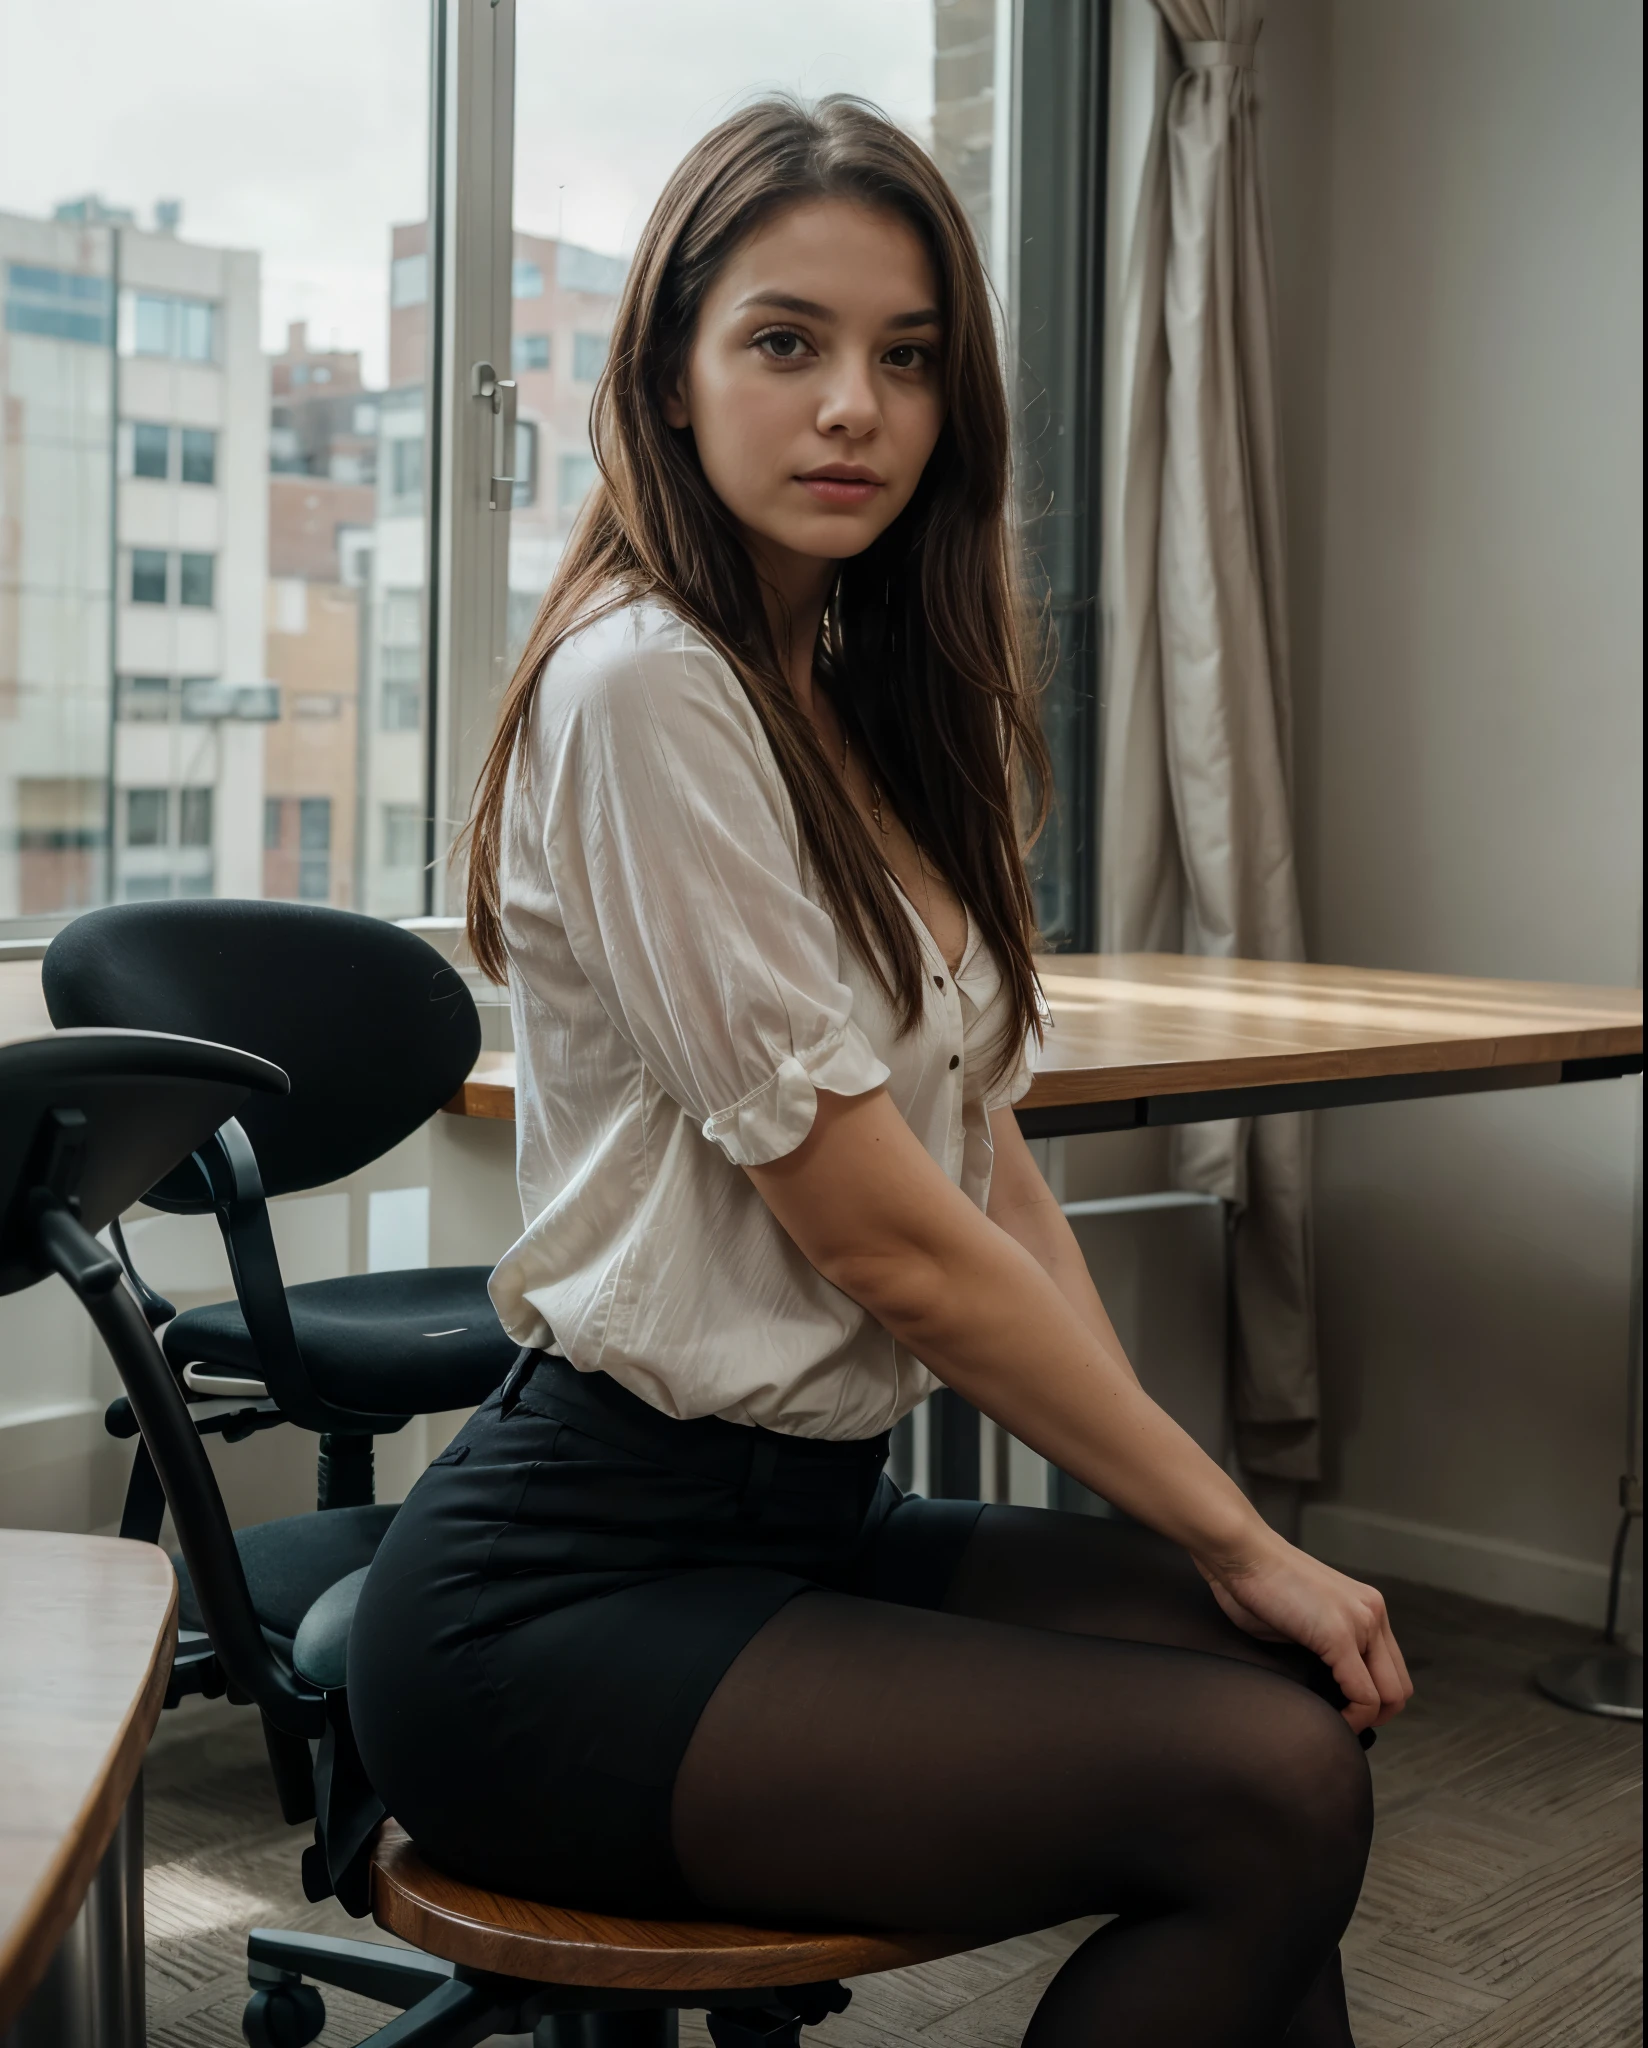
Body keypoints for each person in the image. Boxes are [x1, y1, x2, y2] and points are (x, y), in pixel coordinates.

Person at [349, 94, 1411, 2048]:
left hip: (800, 1521)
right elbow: (889, 1246)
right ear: (667, 371)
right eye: (785, 340)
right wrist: (1237, 1528)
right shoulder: (644, 681)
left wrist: (1201, 1535)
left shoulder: (833, 698)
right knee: (1263, 1788)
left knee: (1281, 1704)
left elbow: (986, 1170)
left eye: (904, 359)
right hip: (562, 1597)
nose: (853, 404)